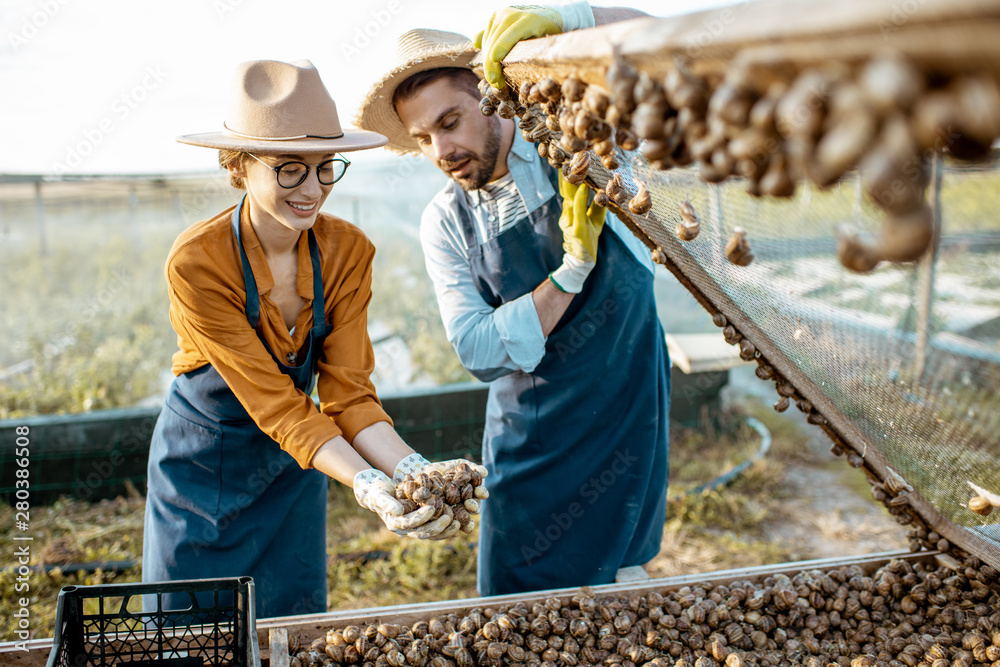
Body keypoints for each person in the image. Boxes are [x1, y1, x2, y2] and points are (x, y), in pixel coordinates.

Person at [142, 59, 486, 619]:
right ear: (239, 166)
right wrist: (368, 482)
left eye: (326, 168)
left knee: (289, 627)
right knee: (189, 632)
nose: (312, 190)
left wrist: (413, 472)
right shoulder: (198, 263)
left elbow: (348, 396)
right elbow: (275, 405)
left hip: (297, 468)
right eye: (289, 170)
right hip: (205, 470)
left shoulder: (349, 252)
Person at [355, 2, 669, 597]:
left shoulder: (577, 144)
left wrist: (569, 17)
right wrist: (570, 274)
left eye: (451, 121)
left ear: (489, 96)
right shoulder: (445, 221)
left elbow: (659, 43)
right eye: (423, 138)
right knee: (516, 596)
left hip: (627, 407)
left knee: (623, 589)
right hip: (530, 431)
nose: (442, 150)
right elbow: (478, 349)